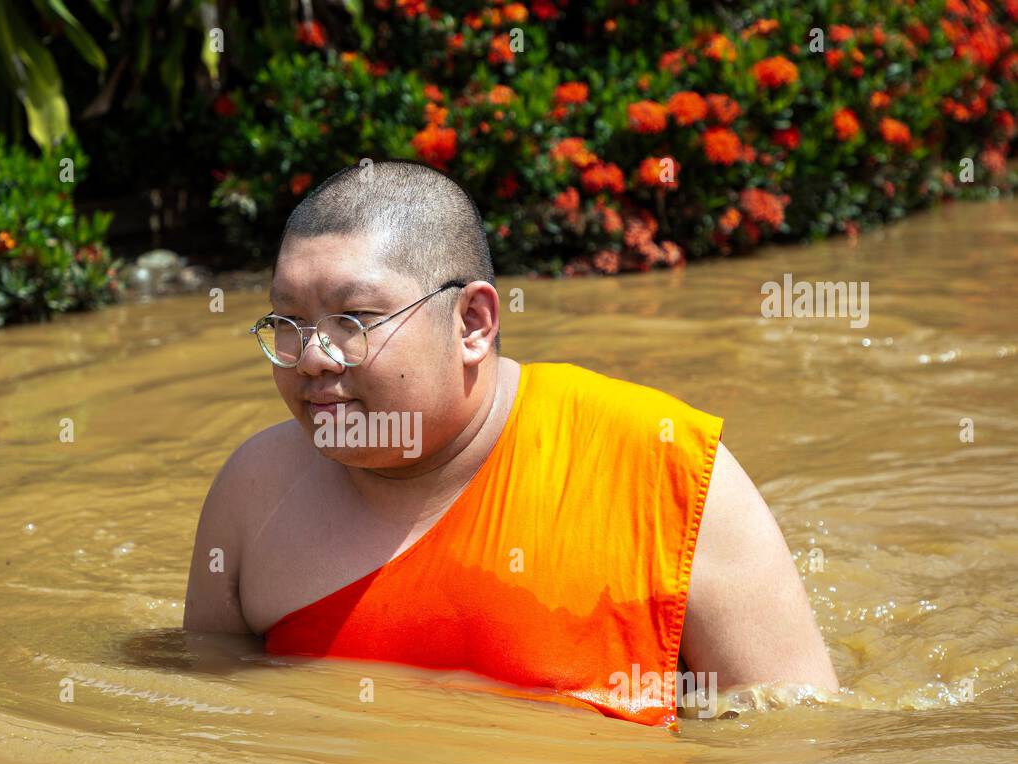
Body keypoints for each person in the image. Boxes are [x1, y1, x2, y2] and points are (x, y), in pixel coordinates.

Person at [184, 159, 839, 726]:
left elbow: (790, 746)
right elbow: (209, 712)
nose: (313, 358)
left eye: (355, 320)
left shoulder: (664, 468)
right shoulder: (254, 492)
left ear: (473, 322)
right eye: (288, 323)